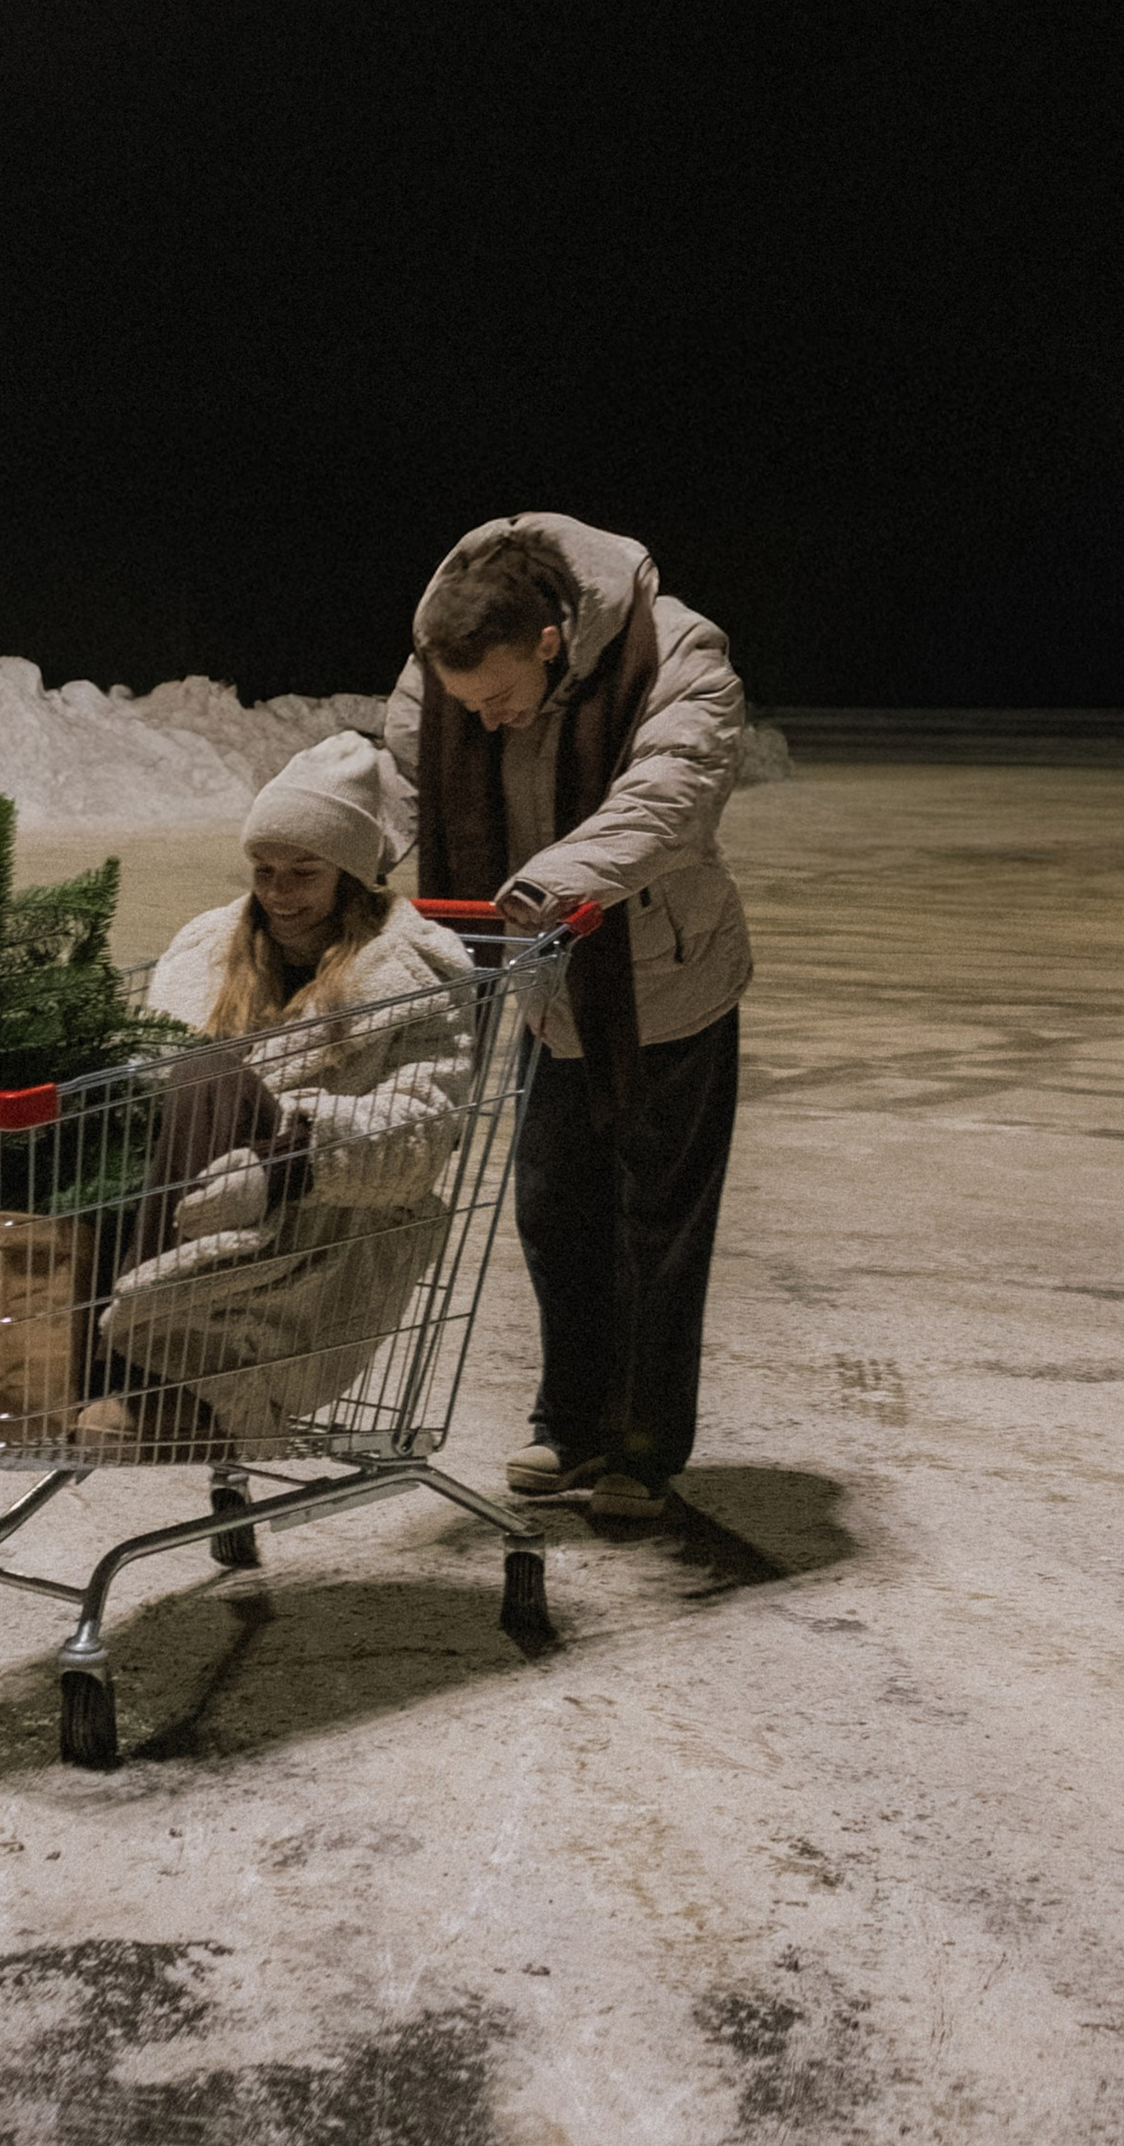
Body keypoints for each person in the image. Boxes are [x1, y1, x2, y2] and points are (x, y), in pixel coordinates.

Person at [384, 512, 751, 1531]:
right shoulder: (440, 668)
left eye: (500, 700)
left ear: (549, 642)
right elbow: (401, 786)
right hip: (551, 987)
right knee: (552, 1206)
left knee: (657, 1221)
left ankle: (643, 1439)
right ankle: (570, 1415)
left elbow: (671, 796)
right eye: (469, 706)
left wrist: (545, 884)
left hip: (664, 979)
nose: (486, 721)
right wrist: (314, 859)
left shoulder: (676, 648)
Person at [76, 734, 479, 1456]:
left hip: (307, 1230)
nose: (277, 891)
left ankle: (135, 1369)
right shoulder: (206, 951)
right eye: (263, 869)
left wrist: (287, 1163)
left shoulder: (414, 975)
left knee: (205, 1072)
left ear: (351, 875)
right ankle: (104, 1350)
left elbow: (425, 1129)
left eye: (303, 870)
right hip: (185, 1212)